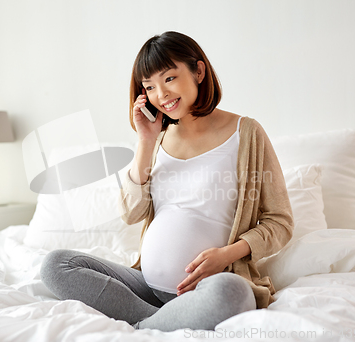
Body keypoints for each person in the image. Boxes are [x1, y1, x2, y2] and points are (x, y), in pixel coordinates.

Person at [40, 31, 294, 332]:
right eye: (150, 87)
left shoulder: (246, 133)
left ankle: (144, 322)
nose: (161, 95)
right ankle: (154, 320)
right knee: (56, 265)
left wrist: (227, 254)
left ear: (198, 71)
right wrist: (145, 143)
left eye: (169, 79)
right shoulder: (157, 139)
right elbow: (131, 213)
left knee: (234, 293)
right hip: (146, 285)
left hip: (208, 286)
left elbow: (280, 221)